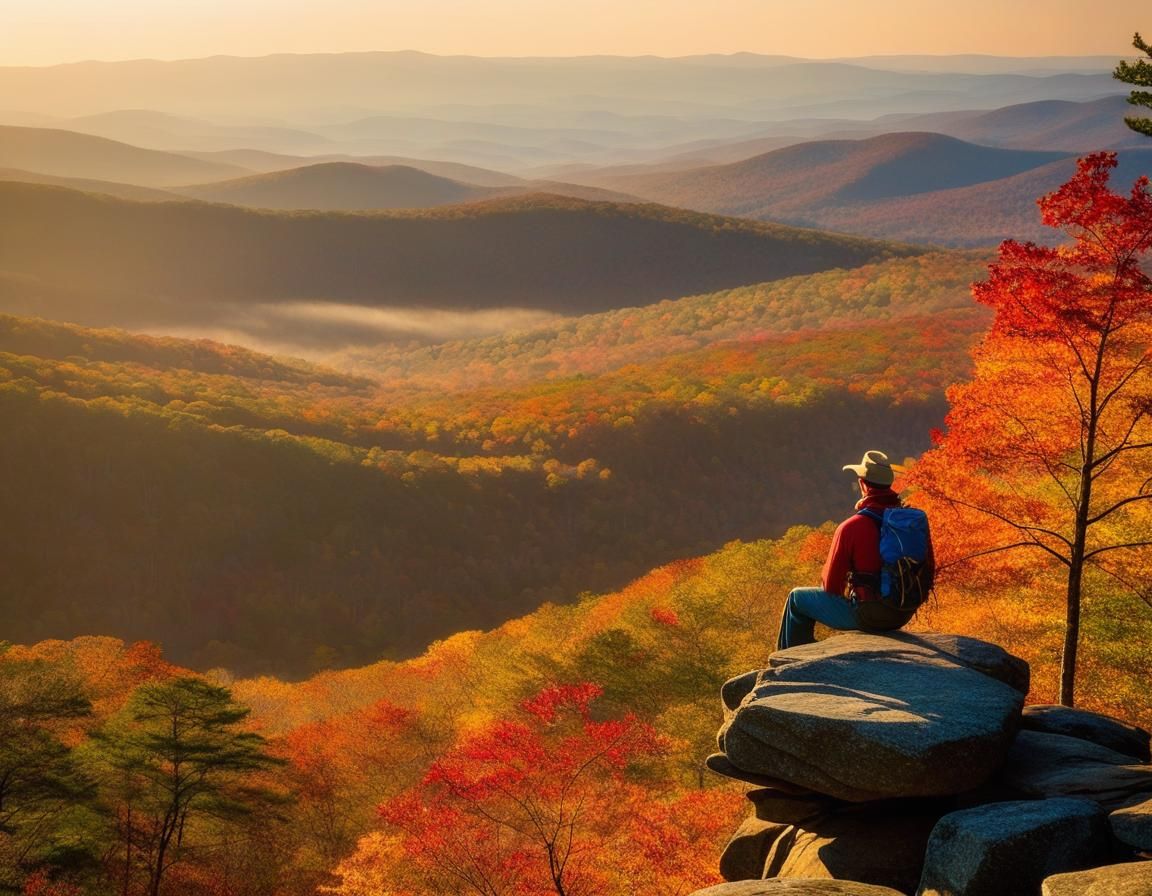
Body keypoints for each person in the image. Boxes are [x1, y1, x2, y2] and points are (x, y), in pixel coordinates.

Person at [776, 449, 934, 650]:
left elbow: (831, 586)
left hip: (869, 616)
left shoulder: (851, 527)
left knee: (796, 598)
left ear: (862, 484)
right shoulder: (912, 521)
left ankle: (790, 661)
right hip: (904, 612)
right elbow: (929, 569)